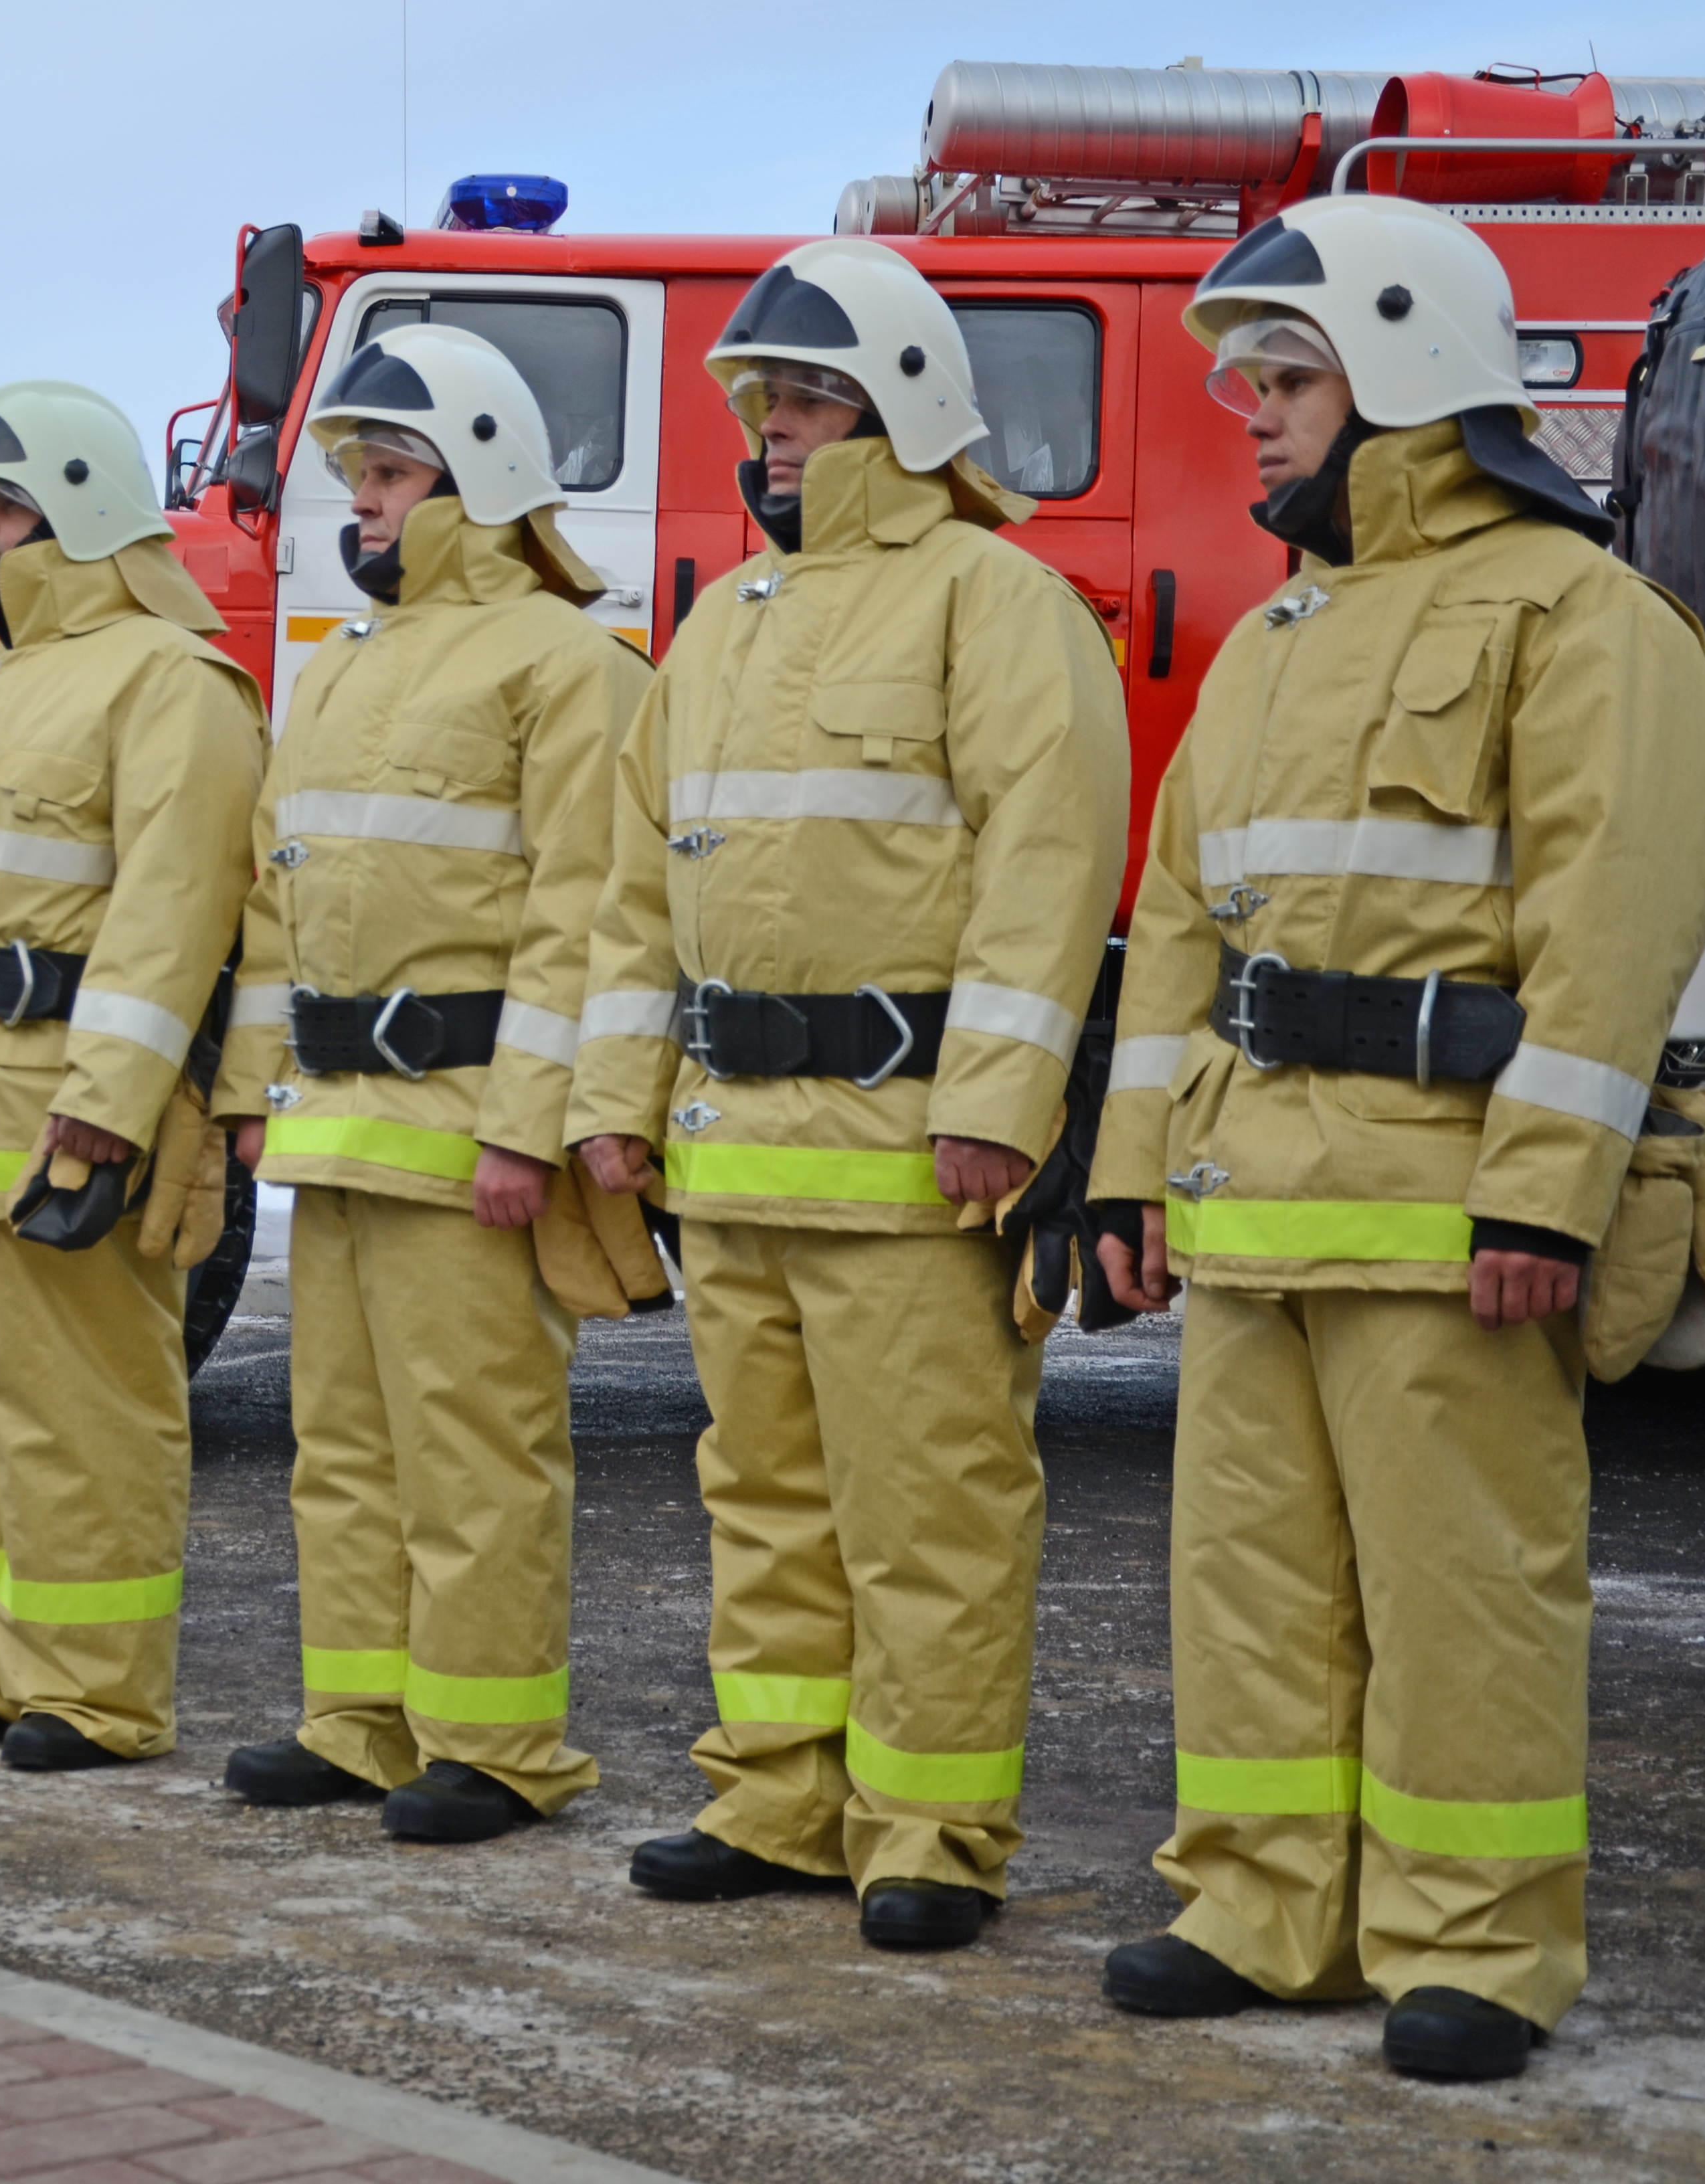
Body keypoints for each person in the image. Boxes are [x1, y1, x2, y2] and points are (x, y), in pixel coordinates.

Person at [1083, 195, 1705, 2080]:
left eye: (1284, 374)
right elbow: (1185, 918)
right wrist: (1133, 1166)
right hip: (1258, 1197)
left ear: (1410, 365)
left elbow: (1614, 924)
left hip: (1452, 1206)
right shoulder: (1282, 634)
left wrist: (1548, 1191)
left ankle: (1478, 1942)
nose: (1249, 410)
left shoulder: (1581, 613)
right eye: (1248, 377)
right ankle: (1264, 1905)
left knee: (1464, 1593)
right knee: (1253, 1585)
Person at [568, 241, 1128, 1948]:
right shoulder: (722, 623)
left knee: (929, 1512)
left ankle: (930, 1834)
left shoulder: (996, 598)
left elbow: (1050, 863)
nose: (776, 429)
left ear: (901, 405)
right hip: (737, 1153)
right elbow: (634, 883)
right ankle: (778, 1797)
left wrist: (1005, 1104)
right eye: (761, 402)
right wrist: (619, 1092)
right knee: (769, 1502)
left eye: (809, 397)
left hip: (908, 1154)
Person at [210, 327, 654, 1840]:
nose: (364, 505)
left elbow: (580, 909)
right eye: (356, 477)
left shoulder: (567, 665)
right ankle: (359, 1721)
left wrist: (527, 1127)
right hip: (340, 1124)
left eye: (390, 474)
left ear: (477, 479)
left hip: (469, 1123)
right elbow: (279, 898)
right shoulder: (343, 671)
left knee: (476, 1451)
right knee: (340, 1448)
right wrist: (256, 1093)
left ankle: (497, 1746)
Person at [0, 381, 264, 1768]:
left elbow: (172, 916)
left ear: (81, 504)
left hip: (56, 1121)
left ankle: (93, 1689)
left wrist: (109, 1113)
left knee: (81, 1416)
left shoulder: (170, 683)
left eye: (3, 508)